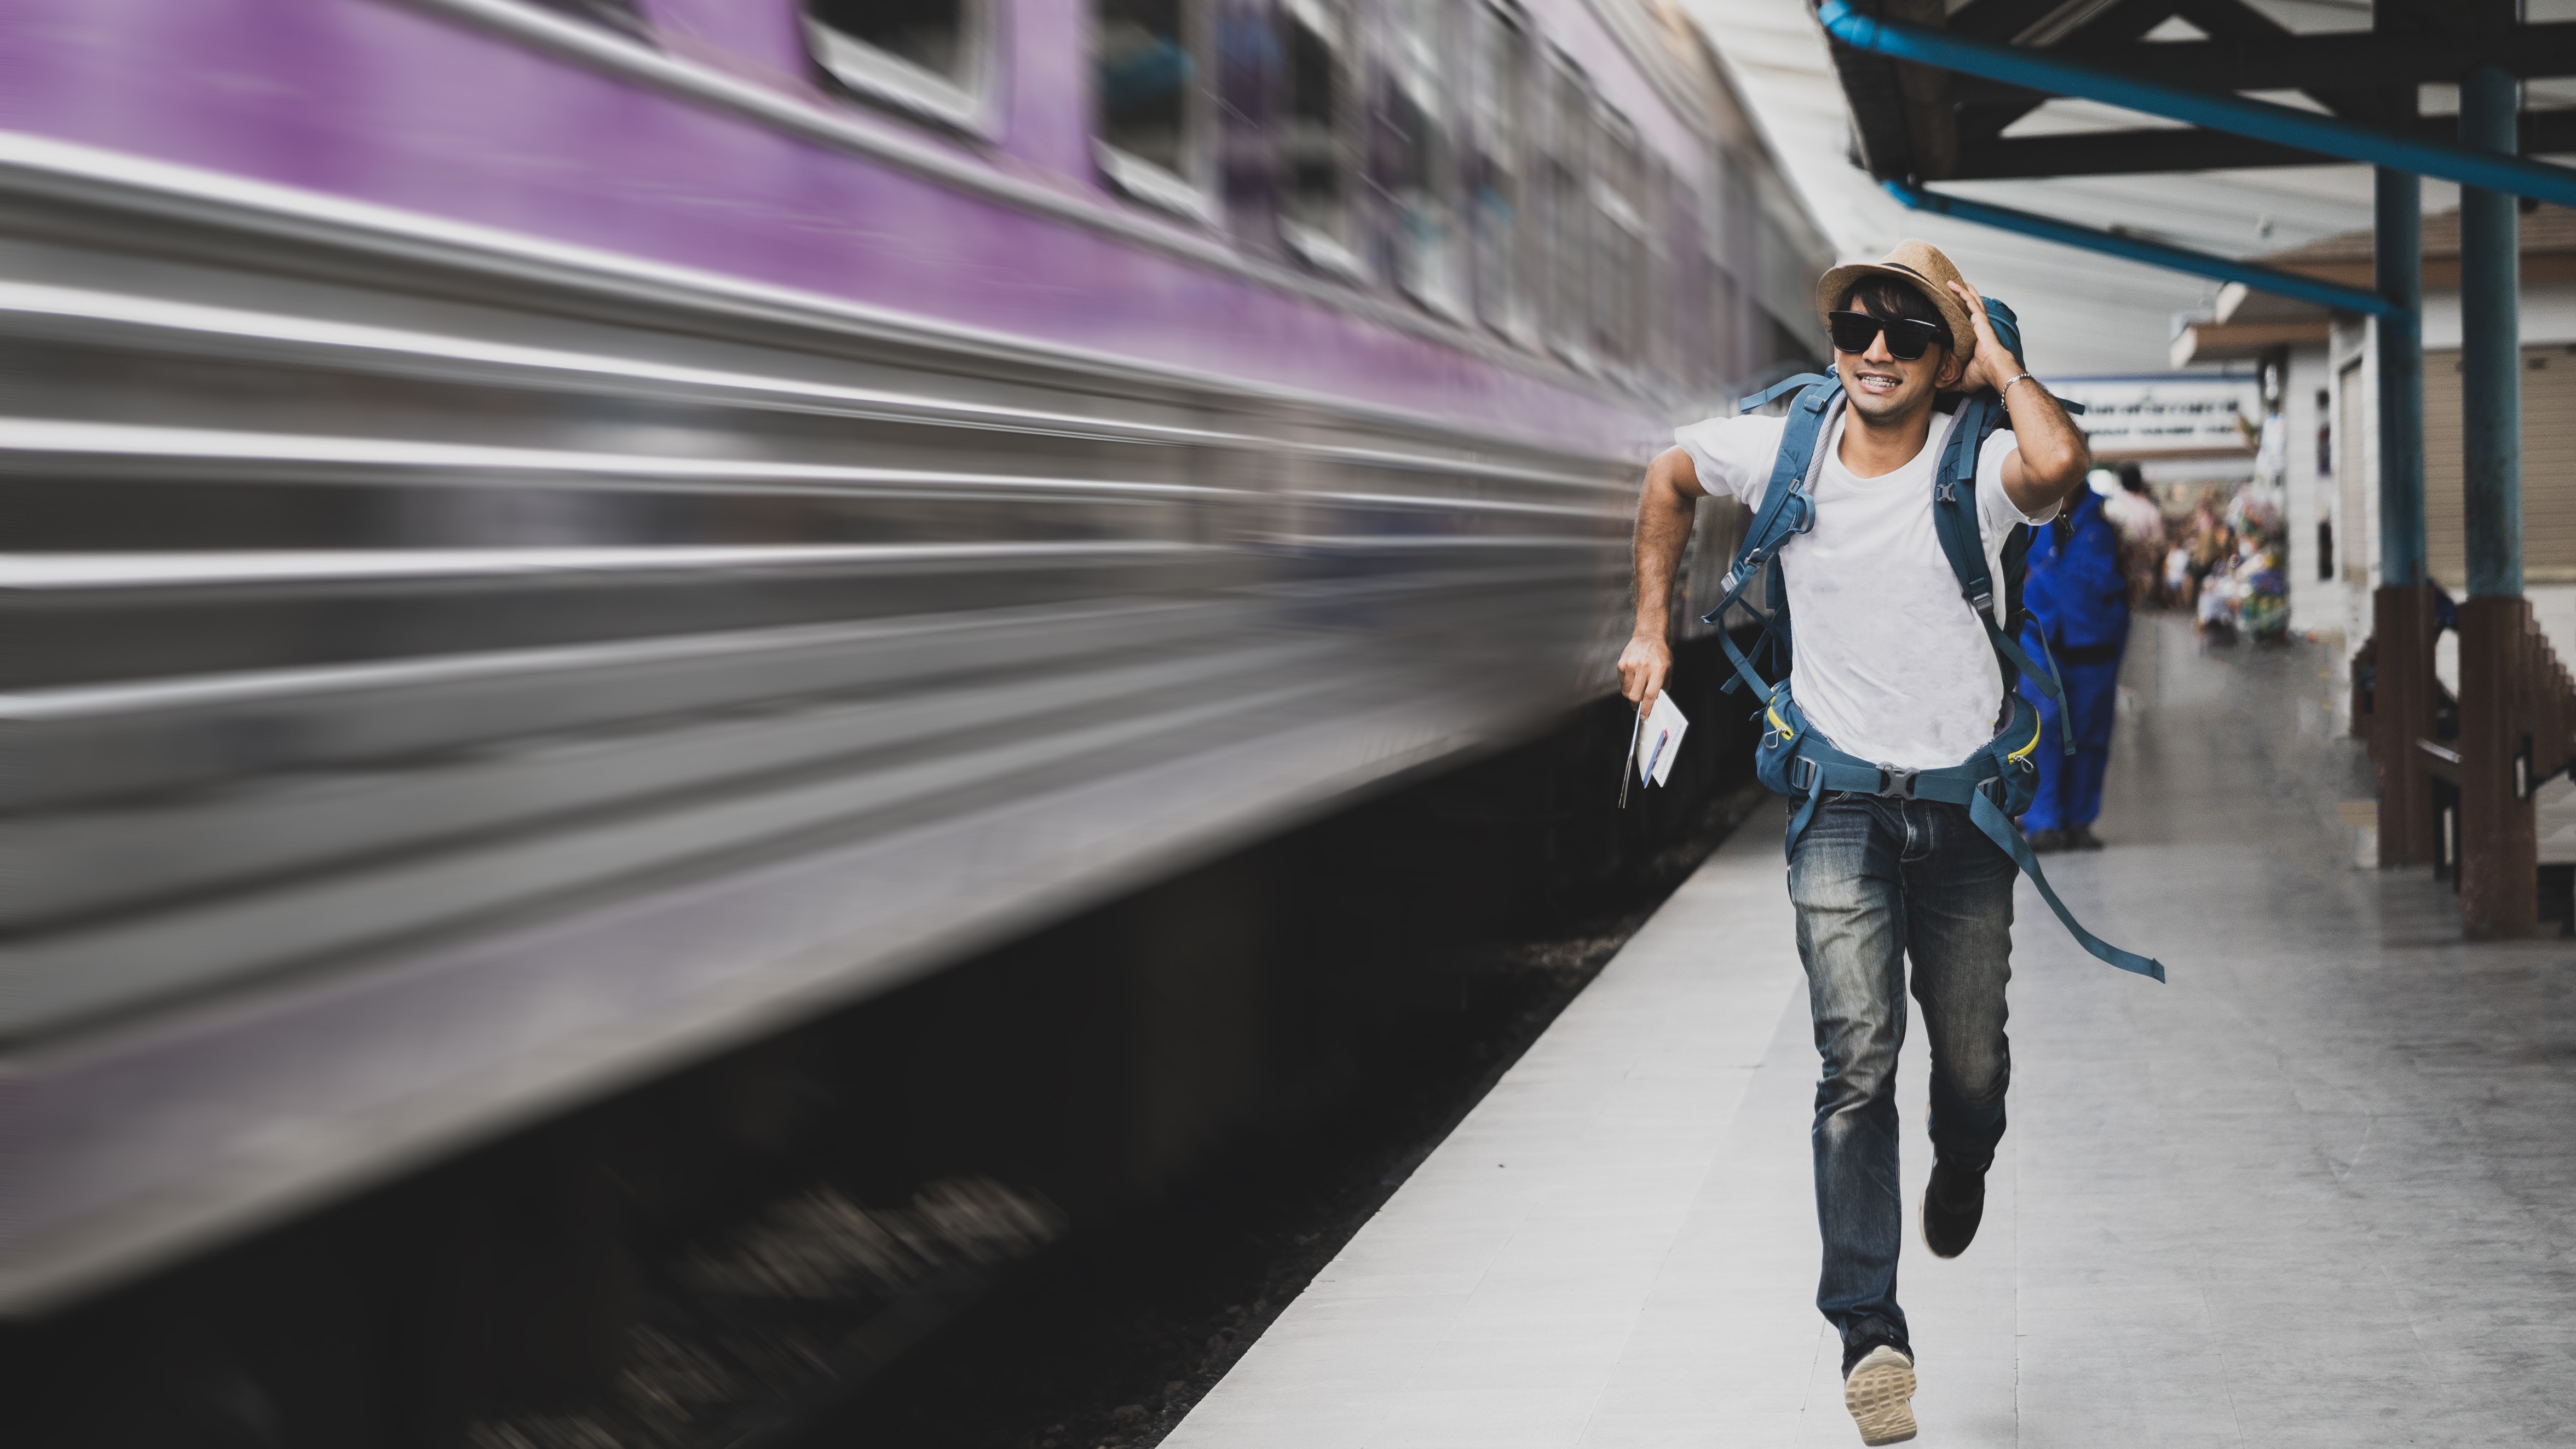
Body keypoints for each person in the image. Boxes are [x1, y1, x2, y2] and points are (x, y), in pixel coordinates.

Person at [1617, 240, 2089, 1446]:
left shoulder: (1977, 463)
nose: (1876, 349)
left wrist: (1996, 357)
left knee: (1970, 1067)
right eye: (1856, 329)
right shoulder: (1786, 446)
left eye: (1908, 333)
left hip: (1964, 809)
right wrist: (1651, 630)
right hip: (1837, 808)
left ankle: (1964, 1156)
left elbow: (2059, 466)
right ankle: (1870, 1334)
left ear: (1946, 358)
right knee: (1856, 1062)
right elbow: (1670, 472)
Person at [2018, 476, 2129, 852]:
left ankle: (2079, 821)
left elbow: (2122, 586)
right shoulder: (2024, 512)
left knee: (2089, 734)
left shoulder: (2100, 524)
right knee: (2043, 725)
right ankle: (2043, 822)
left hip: (2093, 641)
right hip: (2037, 637)